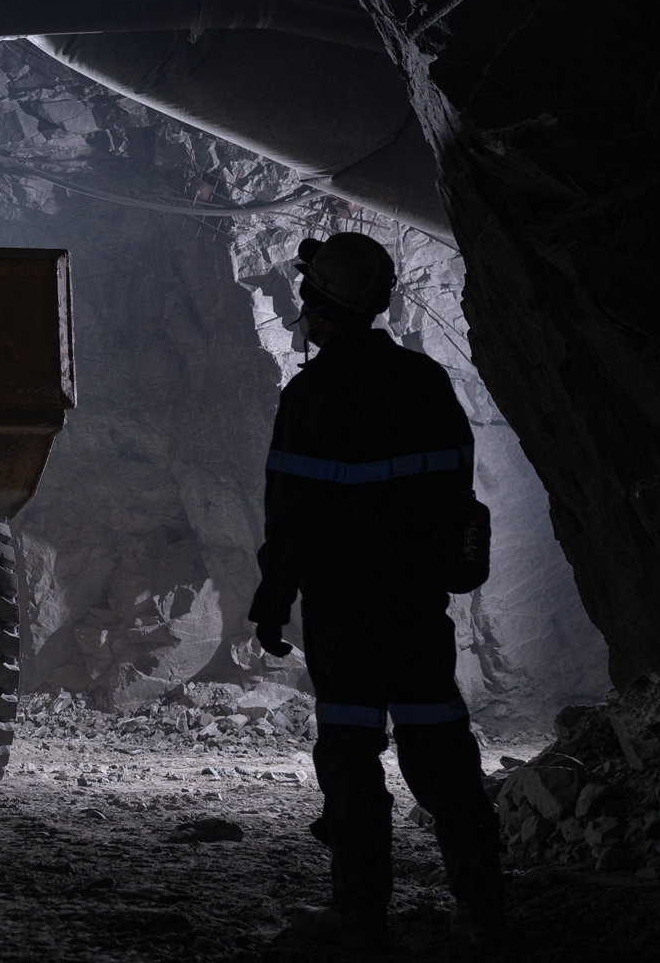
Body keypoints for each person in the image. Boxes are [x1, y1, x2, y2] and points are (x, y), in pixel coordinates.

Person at [248, 232, 503, 951]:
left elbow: (290, 516)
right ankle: (483, 911)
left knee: (350, 755)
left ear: (319, 303)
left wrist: (273, 602)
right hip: (417, 611)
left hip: (345, 615)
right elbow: (457, 500)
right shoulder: (427, 384)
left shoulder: (311, 396)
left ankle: (359, 916)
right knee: (442, 753)